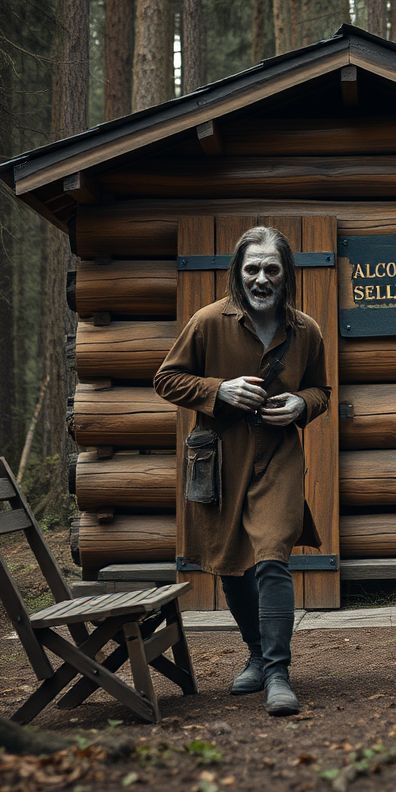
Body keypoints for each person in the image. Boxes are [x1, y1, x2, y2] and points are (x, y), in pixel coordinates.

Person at [154, 226, 330, 715]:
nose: (260, 278)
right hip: (220, 459)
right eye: (251, 268)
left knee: (272, 555)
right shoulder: (209, 321)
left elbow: (321, 391)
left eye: (271, 268)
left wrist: (301, 403)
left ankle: (277, 671)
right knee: (233, 563)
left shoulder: (307, 330)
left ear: (285, 274)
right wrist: (219, 390)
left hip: (279, 458)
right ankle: (255, 654)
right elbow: (166, 379)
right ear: (238, 272)